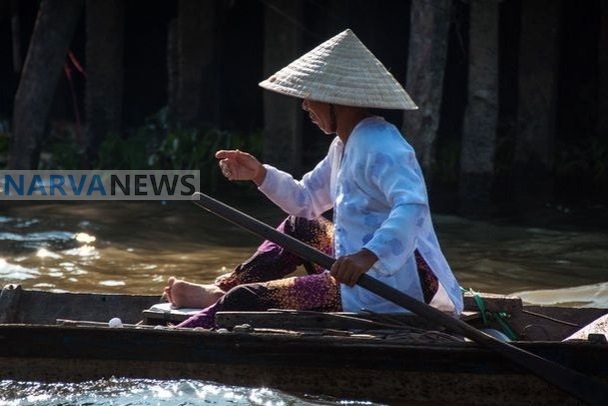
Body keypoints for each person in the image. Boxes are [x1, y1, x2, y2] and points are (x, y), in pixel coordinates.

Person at [163, 28, 463, 328]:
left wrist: (368, 256)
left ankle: (180, 338)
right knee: (299, 227)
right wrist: (259, 173)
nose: (305, 105)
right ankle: (220, 291)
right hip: (359, 271)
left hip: (393, 286)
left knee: (245, 300)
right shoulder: (343, 145)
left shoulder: (383, 144)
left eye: (310, 97)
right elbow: (305, 201)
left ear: (336, 100)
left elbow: (412, 207)